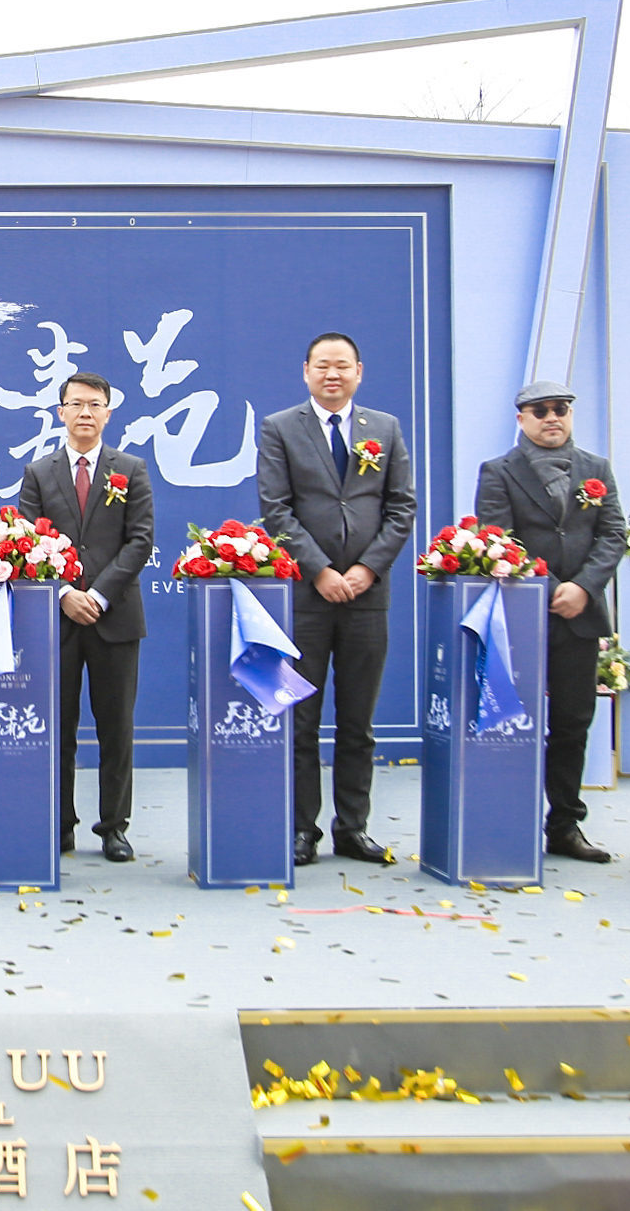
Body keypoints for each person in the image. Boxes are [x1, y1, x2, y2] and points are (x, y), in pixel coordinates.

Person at [257, 332, 417, 866]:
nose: (333, 374)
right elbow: (277, 509)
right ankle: (302, 830)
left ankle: (353, 827)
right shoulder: (281, 428)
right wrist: (321, 570)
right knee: (301, 719)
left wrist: (368, 569)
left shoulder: (385, 429)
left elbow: (401, 507)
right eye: (322, 365)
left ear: (358, 372)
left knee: (358, 722)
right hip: (307, 597)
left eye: (342, 366)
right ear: (306, 371)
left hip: (367, 598)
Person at [471, 377, 626, 863]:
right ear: (522, 419)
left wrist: (583, 587)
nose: (552, 417)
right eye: (540, 411)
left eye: (560, 408)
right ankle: (507, 824)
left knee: (573, 723)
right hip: (520, 617)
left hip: (580, 617)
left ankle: (564, 826)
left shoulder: (596, 469)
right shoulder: (498, 471)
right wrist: (553, 586)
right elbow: (498, 537)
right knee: (511, 724)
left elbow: (613, 534)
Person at [16, 371, 154, 862]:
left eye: (95, 404)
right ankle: (61, 824)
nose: (85, 413)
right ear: (61, 412)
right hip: (57, 621)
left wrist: (96, 594)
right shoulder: (39, 472)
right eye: (76, 404)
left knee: (116, 728)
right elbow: (28, 542)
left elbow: (140, 541)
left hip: (115, 618)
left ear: (108, 413)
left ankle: (114, 827)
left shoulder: (131, 469)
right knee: (59, 726)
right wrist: (63, 595)